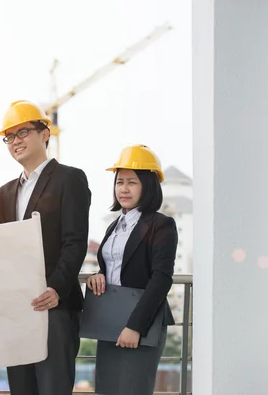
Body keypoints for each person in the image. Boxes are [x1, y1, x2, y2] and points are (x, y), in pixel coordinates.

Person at [0, 100, 92, 395]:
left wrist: (56, 288)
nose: (15, 142)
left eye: (22, 132)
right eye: (9, 137)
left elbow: (74, 241)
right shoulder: (8, 191)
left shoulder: (69, 178)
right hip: (18, 308)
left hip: (54, 304)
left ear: (45, 133)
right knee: (21, 387)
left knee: (53, 387)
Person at [86, 144, 178, 395]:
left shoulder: (161, 224)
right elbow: (114, 265)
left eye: (132, 182)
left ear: (148, 185)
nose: (123, 189)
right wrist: (98, 276)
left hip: (141, 323)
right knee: (106, 389)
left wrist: (135, 327)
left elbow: (161, 278)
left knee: (132, 388)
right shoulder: (114, 226)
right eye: (119, 182)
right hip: (110, 321)